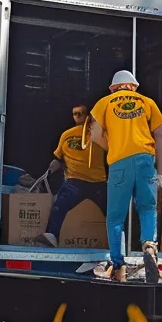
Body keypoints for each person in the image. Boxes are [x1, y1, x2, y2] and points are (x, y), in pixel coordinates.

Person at [87, 70, 162, 283]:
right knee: (147, 208)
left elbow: (94, 135)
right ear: (134, 86)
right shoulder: (148, 102)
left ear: (113, 88)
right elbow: (160, 136)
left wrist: (112, 145)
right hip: (145, 162)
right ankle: (150, 246)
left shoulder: (104, 103)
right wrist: (160, 172)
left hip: (119, 163)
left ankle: (118, 265)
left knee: (115, 217)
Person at [37, 104, 108, 248]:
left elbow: (57, 160)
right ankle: (52, 235)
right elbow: (57, 159)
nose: (78, 116)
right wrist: (49, 172)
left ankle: (52, 235)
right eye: (75, 113)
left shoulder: (98, 135)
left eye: (80, 113)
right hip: (80, 182)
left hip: (95, 182)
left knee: (60, 206)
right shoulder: (95, 135)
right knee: (112, 212)